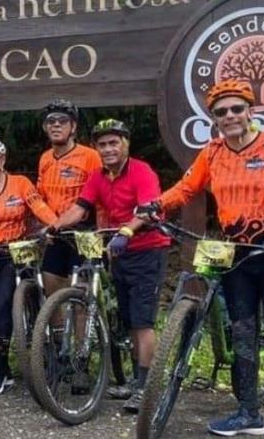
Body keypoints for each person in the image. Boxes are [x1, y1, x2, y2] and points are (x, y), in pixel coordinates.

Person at [139, 79, 264, 438]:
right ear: (214, 118)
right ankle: (248, 415)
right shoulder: (212, 152)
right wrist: (155, 206)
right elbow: (186, 189)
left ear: (250, 112)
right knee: (242, 331)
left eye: (236, 109)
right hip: (237, 251)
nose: (230, 116)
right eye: (221, 112)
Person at [53, 119, 170, 413]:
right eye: (102, 144)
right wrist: (54, 226)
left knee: (142, 322)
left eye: (113, 143)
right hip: (119, 253)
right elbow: (81, 208)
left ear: (125, 144)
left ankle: (146, 389)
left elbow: (146, 208)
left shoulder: (142, 172)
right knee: (129, 319)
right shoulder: (97, 176)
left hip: (147, 251)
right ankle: (135, 381)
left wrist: (128, 230)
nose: (108, 149)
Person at [0, 138, 58, 395]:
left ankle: (6, 363)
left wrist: (55, 225)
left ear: (3, 159)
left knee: (2, 303)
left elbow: (38, 207)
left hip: (15, 253)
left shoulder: (20, 183)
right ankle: (1, 364)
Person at [36, 99, 102, 299]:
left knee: (82, 292)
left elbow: (100, 195)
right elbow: (41, 196)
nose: (56, 125)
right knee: (50, 284)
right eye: (51, 121)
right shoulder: (45, 158)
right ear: (45, 127)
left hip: (85, 231)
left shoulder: (90, 156)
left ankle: (86, 330)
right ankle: (57, 331)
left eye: (63, 121)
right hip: (55, 231)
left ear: (73, 127)